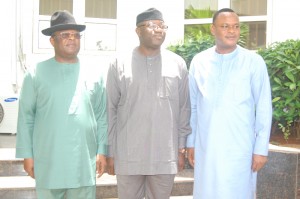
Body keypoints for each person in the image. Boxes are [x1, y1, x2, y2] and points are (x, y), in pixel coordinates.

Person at [15, 10, 107, 199]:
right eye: (65, 35)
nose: (72, 39)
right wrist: (27, 155)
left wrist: (102, 151)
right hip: (49, 162)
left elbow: (102, 116)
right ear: (52, 40)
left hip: (83, 162)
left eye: (76, 35)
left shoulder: (94, 73)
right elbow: (26, 117)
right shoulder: (35, 73)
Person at [187, 8, 272, 199]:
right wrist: (190, 142)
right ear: (213, 29)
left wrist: (260, 149)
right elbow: (192, 106)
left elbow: (264, 108)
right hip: (206, 147)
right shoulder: (199, 61)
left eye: (236, 27)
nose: (232, 31)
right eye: (225, 26)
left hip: (240, 149)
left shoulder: (254, 61)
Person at [106, 8, 191, 199]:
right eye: (152, 25)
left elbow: (184, 108)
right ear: (138, 30)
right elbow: (110, 110)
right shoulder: (119, 64)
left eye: (162, 26)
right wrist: (110, 151)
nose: (159, 30)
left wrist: (181, 148)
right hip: (129, 155)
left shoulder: (177, 64)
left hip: (164, 155)